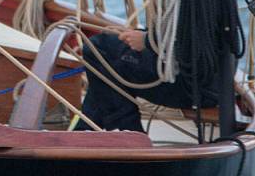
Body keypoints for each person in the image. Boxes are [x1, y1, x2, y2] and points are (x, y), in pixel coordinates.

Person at [77, 28, 218, 132]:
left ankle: (129, 133)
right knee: (108, 60)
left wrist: (147, 40)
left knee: (98, 48)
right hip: (212, 85)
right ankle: (84, 131)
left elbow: (195, 37)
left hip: (192, 87)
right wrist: (140, 33)